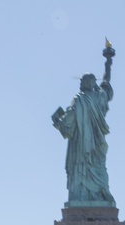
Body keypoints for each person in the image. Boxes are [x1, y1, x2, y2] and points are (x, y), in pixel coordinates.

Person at [51, 61, 115, 206]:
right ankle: (84, 196)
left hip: (92, 144)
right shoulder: (82, 99)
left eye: (86, 80)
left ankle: (100, 192)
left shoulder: (94, 97)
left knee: (96, 167)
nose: (82, 82)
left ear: (92, 82)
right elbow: (70, 119)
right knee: (88, 168)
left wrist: (108, 63)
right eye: (82, 80)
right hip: (83, 145)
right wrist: (59, 122)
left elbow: (106, 82)